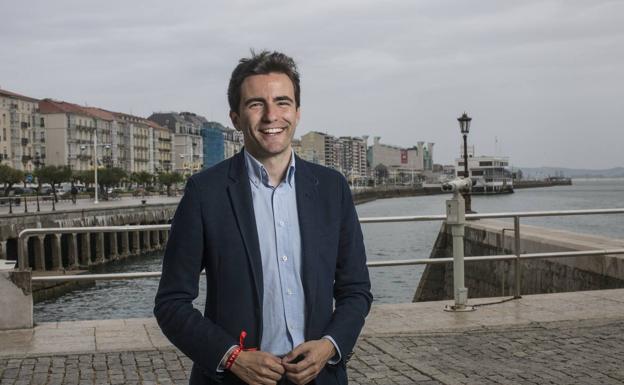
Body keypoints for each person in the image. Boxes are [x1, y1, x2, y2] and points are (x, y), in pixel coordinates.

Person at [154, 50, 372, 385]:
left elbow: (355, 289)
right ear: (236, 117)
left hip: (320, 378)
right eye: (256, 104)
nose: (272, 115)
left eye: (283, 102)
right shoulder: (205, 193)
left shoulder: (333, 189)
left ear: (297, 113)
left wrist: (329, 347)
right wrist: (231, 357)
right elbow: (171, 303)